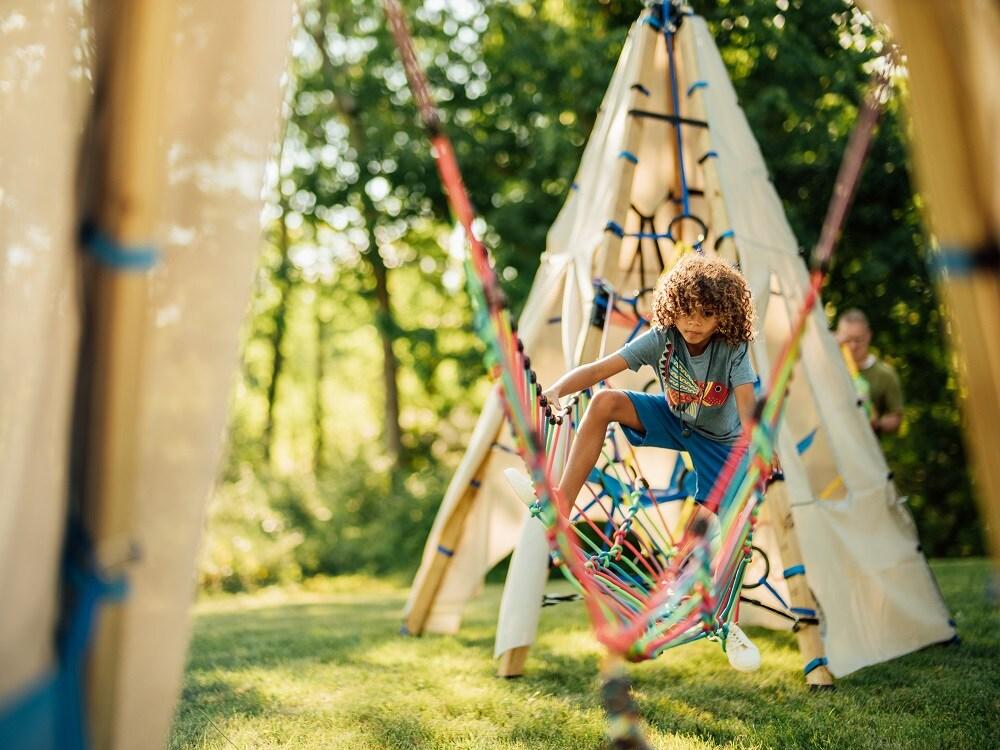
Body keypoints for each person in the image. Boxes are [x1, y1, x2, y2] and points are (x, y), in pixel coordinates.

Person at [540, 253, 763, 672]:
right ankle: (562, 505)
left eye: (707, 314)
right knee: (605, 401)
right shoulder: (662, 338)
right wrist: (554, 392)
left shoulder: (732, 347)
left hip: (721, 441)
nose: (694, 322)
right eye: (686, 312)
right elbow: (601, 369)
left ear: (725, 316)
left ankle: (720, 616)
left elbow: (748, 404)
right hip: (674, 419)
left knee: (737, 521)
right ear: (672, 307)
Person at [835, 308, 903, 437]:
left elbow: (896, 417)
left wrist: (877, 423)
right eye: (847, 340)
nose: (853, 346)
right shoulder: (828, 366)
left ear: (868, 336)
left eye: (858, 340)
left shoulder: (885, 375)